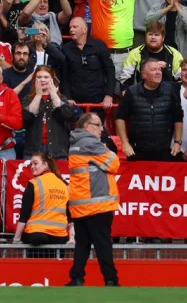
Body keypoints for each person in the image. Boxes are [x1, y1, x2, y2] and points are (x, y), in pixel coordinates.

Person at [66, 112, 119, 287]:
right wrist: (105, 149)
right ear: (87, 127)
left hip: (80, 204)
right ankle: (111, 280)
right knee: (103, 244)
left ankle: (77, 278)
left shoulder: (75, 143)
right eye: (98, 125)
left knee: (82, 244)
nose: (101, 128)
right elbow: (114, 163)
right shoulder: (91, 143)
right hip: (97, 203)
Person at [116, 59, 185, 162]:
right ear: (144, 74)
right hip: (137, 150)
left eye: (159, 69)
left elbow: (178, 117)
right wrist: (125, 143)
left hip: (165, 150)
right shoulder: (132, 91)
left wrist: (177, 142)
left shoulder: (170, 90)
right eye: (153, 70)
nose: (158, 72)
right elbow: (119, 117)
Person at [13, 152, 72, 246]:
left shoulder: (34, 183)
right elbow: (70, 216)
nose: (32, 167)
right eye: (31, 164)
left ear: (45, 164)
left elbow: (24, 215)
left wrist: (16, 239)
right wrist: (71, 238)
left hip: (36, 234)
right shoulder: (65, 185)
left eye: (35, 163)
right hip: (60, 236)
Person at [23, 67, 78, 160]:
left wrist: (53, 94)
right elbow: (27, 117)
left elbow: (68, 115)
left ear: (52, 79)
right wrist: (38, 95)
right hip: (33, 151)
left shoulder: (62, 98)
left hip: (57, 151)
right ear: (34, 79)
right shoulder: (28, 99)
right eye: (39, 77)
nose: (42, 80)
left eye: (46, 77)